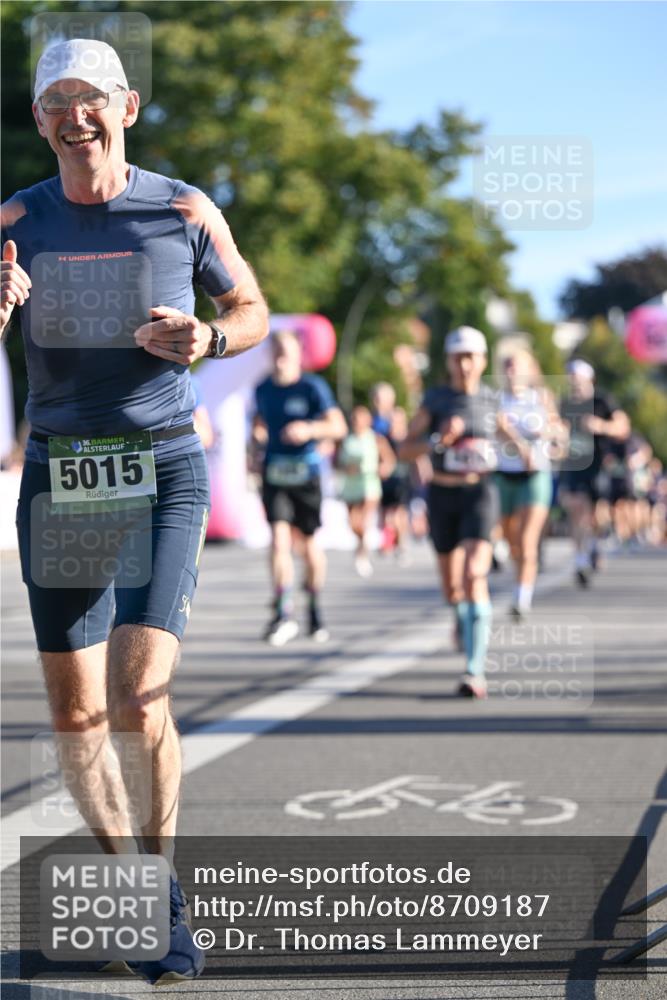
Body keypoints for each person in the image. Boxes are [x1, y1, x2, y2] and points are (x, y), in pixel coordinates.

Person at [0, 38, 269, 984]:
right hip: (63, 473)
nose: (76, 116)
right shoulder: (12, 223)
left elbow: (252, 310)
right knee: (75, 713)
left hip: (161, 464)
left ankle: (163, 888)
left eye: (93, 99)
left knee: (134, 697)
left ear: (129, 107)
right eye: (56, 102)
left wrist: (209, 335)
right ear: (39, 120)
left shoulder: (183, 208)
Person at [399, 326, 499, 699]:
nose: (465, 365)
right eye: (458, 358)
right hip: (442, 493)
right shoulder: (436, 400)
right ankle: (462, 620)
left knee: (476, 574)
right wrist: (439, 439)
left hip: (480, 493)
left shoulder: (492, 399)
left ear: (483, 360)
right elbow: (404, 448)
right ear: (449, 361)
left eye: (471, 357)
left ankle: (475, 670)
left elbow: (512, 440)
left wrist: (527, 449)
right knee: (452, 586)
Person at [253, 329, 346, 645]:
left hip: (305, 475)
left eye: (286, 351)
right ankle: (283, 611)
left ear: (298, 355)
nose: (280, 356)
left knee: (308, 547)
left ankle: (315, 607)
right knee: (279, 541)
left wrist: (309, 428)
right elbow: (259, 421)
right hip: (275, 473)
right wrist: (258, 437)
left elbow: (338, 426)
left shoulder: (312, 387)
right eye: (276, 349)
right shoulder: (263, 388)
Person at [495, 348, 567, 616]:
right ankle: (519, 579)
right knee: (511, 540)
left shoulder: (542, 398)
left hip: (536, 476)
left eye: (516, 365)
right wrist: (521, 446)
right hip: (504, 475)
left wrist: (549, 434)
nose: (512, 370)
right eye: (508, 366)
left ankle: (521, 598)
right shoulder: (497, 400)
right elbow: (497, 426)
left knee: (526, 541)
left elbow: (559, 431)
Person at [559, 360, 630, 586]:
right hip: (574, 463)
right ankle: (580, 560)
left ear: (589, 380)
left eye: (578, 379)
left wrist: (600, 426)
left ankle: (594, 545)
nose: (574, 384)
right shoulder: (565, 403)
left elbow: (623, 427)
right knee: (575, 508)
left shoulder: (602, 400)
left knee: (597, 514)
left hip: (599, 463)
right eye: (571, 379)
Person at [338, 404, 394, 577]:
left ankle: (362, 554)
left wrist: (383, 468)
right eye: (354, 418)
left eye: (359, 418)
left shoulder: (376, 439)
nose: (356, 422)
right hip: (351, 485)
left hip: (369, 485)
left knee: (362, 521)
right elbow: (337, 462)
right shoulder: (346, 440)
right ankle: (362, 544)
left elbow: (389, 460)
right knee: (353, 523)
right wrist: (346, 468)